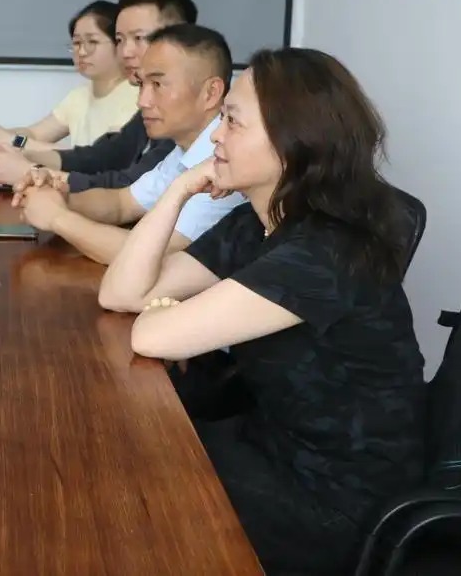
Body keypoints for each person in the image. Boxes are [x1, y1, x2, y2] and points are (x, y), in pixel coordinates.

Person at [99, 48, 426, 573]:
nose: (216, 136)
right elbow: (121, 293)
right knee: (116, 458)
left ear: (291, 142)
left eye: (232, 121)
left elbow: (150, 336)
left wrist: (161, 315)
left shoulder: (324, 252)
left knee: (124, 502)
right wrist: (180, 189)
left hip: (334, 500)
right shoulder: (261, 222)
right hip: (268, 443)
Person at [12, 25, 243, 264]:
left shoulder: (226, 160)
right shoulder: (185, 149)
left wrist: (57, 218)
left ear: (210, 93)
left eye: (158, 85)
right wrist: (60, 197)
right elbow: (122, 204)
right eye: (142, 84)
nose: (142, 101)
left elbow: (153, 256)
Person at [0, 0, 195, 190]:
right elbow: (99, 157)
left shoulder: (181, 106)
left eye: (139, 38)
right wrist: (14, 155)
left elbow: (128, 189)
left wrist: (30, 170)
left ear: (181, 38)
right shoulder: (138, 99)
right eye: (120, 40)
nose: (126, 52)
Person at [0, 0, 135, 152]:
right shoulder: (79, 96)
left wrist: (13, 141)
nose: (81, 52)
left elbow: (96, 157)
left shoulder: (137, 96)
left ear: (120, 43)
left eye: (92, 42)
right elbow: (35, 134)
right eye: (77, 43)